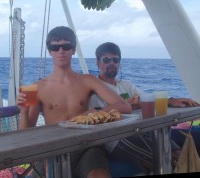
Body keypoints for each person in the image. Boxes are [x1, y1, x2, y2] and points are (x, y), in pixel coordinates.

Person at [16, 27, 132, 178]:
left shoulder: (88, 81)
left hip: (87, 147)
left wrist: (94, 111)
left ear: (74, 49)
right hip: (53, 149)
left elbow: (125, 106)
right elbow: (26, 134)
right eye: (55, 47)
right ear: (50, 51)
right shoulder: (38, 87)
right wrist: (23, 112)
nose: (61, 51)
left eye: (67, 46)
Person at [89, 42, 199, 173]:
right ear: (97, 63)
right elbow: (99, 118)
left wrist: (171, 101)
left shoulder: (126, 85)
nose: (111, 63)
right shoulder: (95, 92)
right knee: (167, 158)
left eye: (115, 59)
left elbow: (146, 99)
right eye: (106, 60)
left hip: (139, 130)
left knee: (177, 151)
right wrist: (128, 105)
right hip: (116, 139)